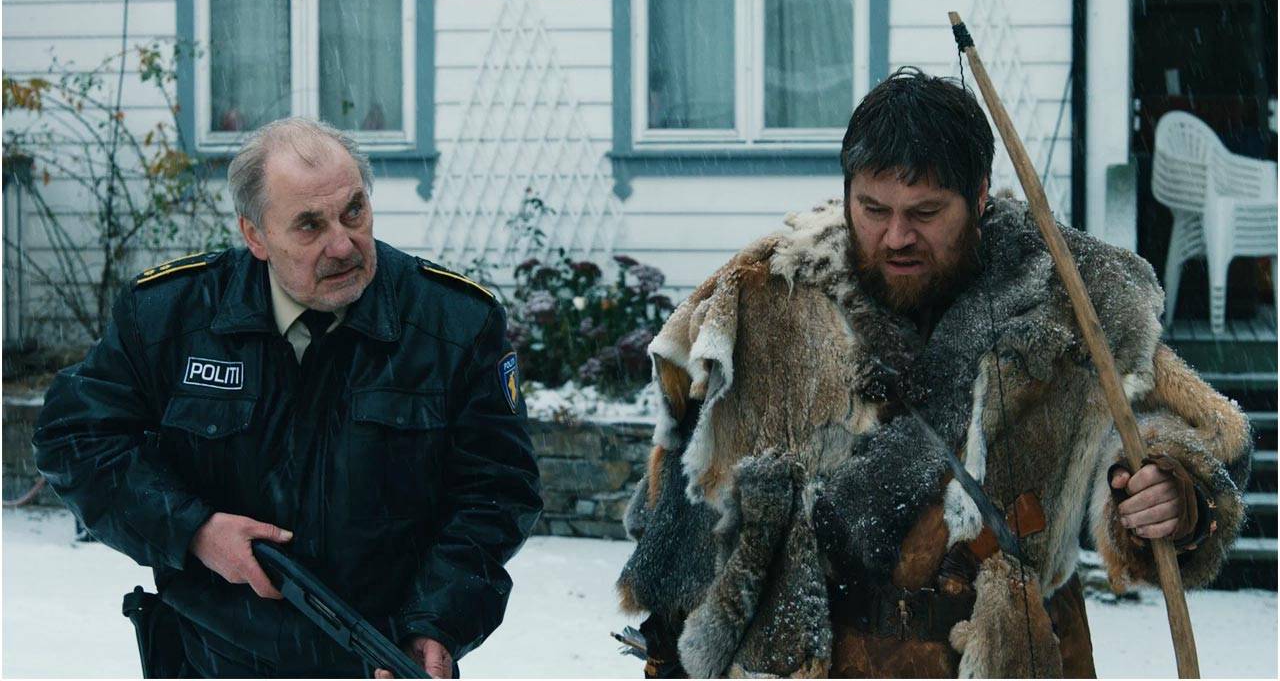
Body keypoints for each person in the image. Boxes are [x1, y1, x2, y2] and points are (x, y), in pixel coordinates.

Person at [615, 68, 1250, 678]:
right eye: (873, 209)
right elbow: (690, 488)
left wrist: (1173, 493)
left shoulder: (1073, 300)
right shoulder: (771, 299)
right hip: (818, 660)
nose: (896, 236)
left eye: (925, 213)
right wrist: (672, 645)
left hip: (1015, 653)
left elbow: (1194, 436)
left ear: (979, 196)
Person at [33, 117, 543, 677]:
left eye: (354, 211)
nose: (343, 245)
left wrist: (438, 621)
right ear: (255, 236)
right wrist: (193, 529)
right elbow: (75, 438)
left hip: (378, 658)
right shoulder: (170, 317)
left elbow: (496, 493)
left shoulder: (453, 325)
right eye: (309, 225)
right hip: (209, 658)